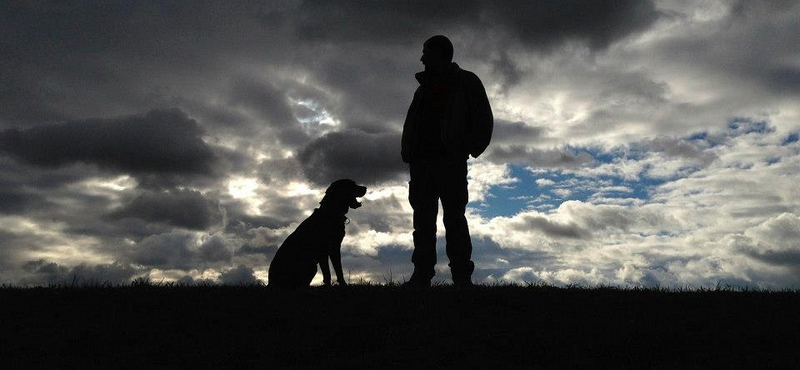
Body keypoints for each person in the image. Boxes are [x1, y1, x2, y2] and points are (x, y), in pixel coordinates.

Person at [400, 35, 493, 287]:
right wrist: (408, 150)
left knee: (454, 219)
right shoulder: (422, 88)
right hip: (421, 164)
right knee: (423, 221)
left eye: (425, 52)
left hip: (450, 162)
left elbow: (483, 118)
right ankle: (422, 274)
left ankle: (461, 276)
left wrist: (469, 147)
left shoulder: (466, 82)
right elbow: (413, 122)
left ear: (440, 54)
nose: (421, 58)